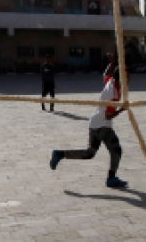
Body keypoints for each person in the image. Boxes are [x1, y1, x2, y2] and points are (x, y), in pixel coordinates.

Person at [50, 54, 128, 188]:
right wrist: (122, 109)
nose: (129, 78)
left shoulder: (111, 81)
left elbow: (105, 74)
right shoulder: (112, 94)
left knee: (102, 152)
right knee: (103, 152)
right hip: (101, 126)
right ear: (121, 78)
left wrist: (111, 63)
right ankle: (111, 178)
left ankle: (111, 177)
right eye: (127, 76)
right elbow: (109, 116)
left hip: (100, 124)